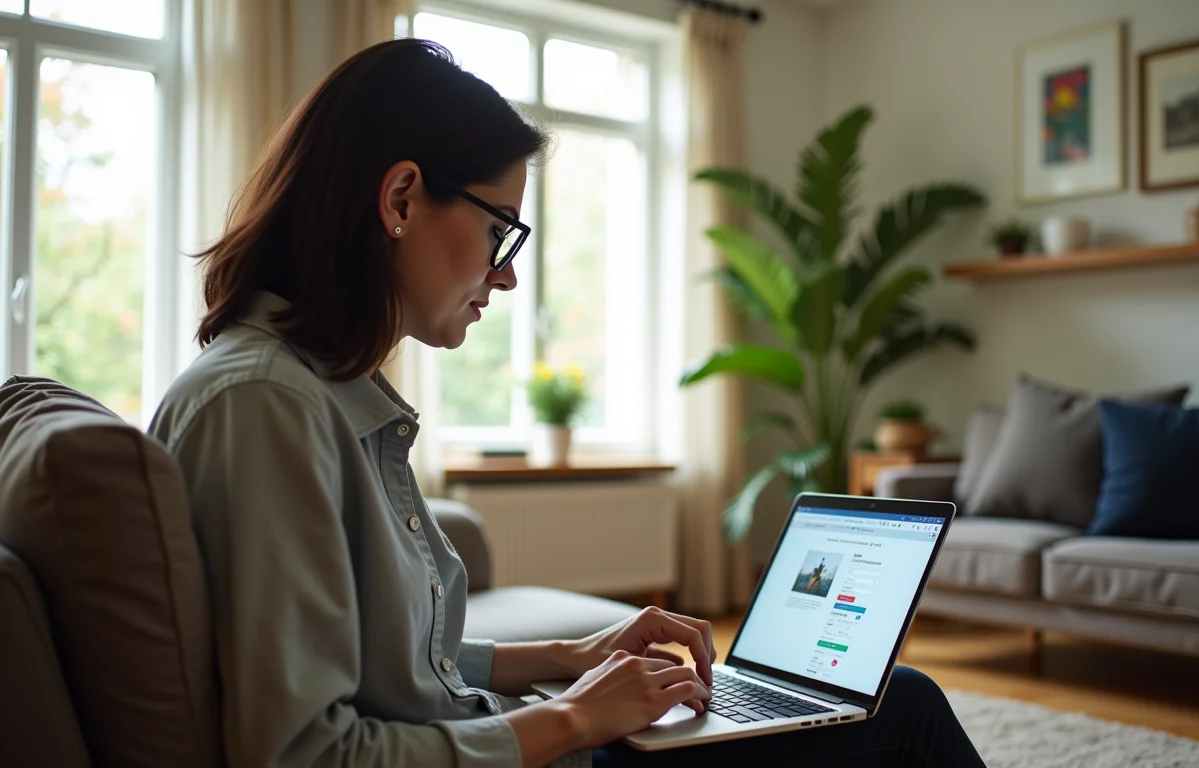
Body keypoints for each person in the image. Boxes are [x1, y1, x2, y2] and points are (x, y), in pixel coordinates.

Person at [149, 38, 987, 768]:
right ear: (401, 199)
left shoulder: (313, 392)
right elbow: (306, 755)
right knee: (904, 709)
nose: (508, 274)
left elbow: (397, 673)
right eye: (500, 231)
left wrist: (572, 655)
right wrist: (574, 717)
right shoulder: (264, 408)